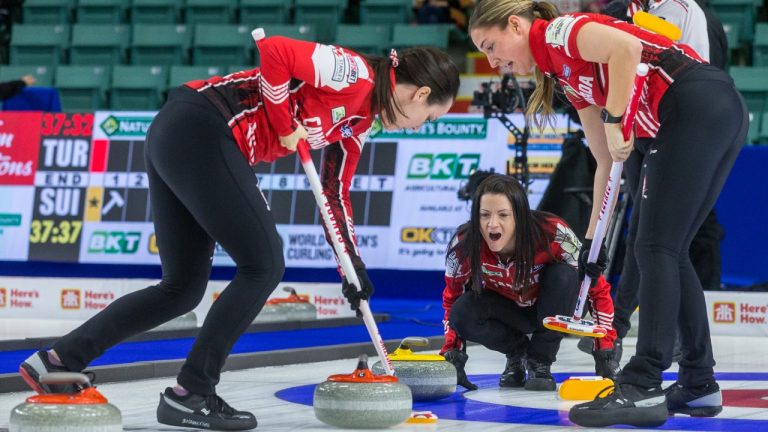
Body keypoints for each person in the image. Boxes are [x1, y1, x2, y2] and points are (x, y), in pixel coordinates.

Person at [19, 34, 460, 431]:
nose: (423, 125)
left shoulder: (360, 124)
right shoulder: (353, 72)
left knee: (181, 289)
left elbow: (334, 197)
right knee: (264, 264)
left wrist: (353, 265)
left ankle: (60, 360)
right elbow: (276, 52)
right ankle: (192, 390)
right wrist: (287, 126)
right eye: (430, 116)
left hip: (180, 135)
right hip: (203, 127)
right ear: (420, 93)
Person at [469, 0, 746, 427]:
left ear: (515, 25)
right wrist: (592, 241)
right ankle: (698, 383)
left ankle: (643, 385)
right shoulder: (563, 76)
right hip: (711, 108)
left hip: (692, 102)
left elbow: (624, 49)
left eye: (491, 46)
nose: (492, 61)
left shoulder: (560, 32)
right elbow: (603, 159)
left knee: (653, 247)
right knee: (671, 250)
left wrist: (617, 119)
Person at [606, 0, 730, 366]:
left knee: (673, 239)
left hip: (681, 131)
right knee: (644, 234)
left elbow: (701, 73)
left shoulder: (689, 12)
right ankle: (617, 326)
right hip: (641, 132)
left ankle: (676, 336)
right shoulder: (621, 9)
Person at [440, 174, 619, 393]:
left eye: (503, 215)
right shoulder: (464, 244)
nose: (492, 224)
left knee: (566, 275)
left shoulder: (553, 233)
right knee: (462, 313)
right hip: (507, 312)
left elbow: (596, 288)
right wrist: (453, 353)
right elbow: (452, 298)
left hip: (550, 308)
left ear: (520, 216)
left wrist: (604, 351)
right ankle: (518, 353)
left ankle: (539, 361)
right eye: (484, 215)